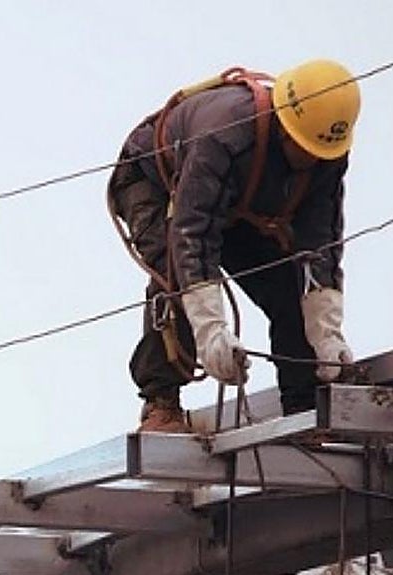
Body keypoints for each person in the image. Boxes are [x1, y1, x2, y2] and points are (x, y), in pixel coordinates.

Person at [108, 59, 360, 432]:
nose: (308, 160)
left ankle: (305, 408)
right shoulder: (227, 134)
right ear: (284, 128)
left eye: (317, 155)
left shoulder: (327, 152)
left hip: (233, 202)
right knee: (174, 274)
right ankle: (161, 403)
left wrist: (326, 335)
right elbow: (191, 236)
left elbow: (318, 245)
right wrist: (212, 334)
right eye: (301, 149)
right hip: (154, 182)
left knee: (287, 288)